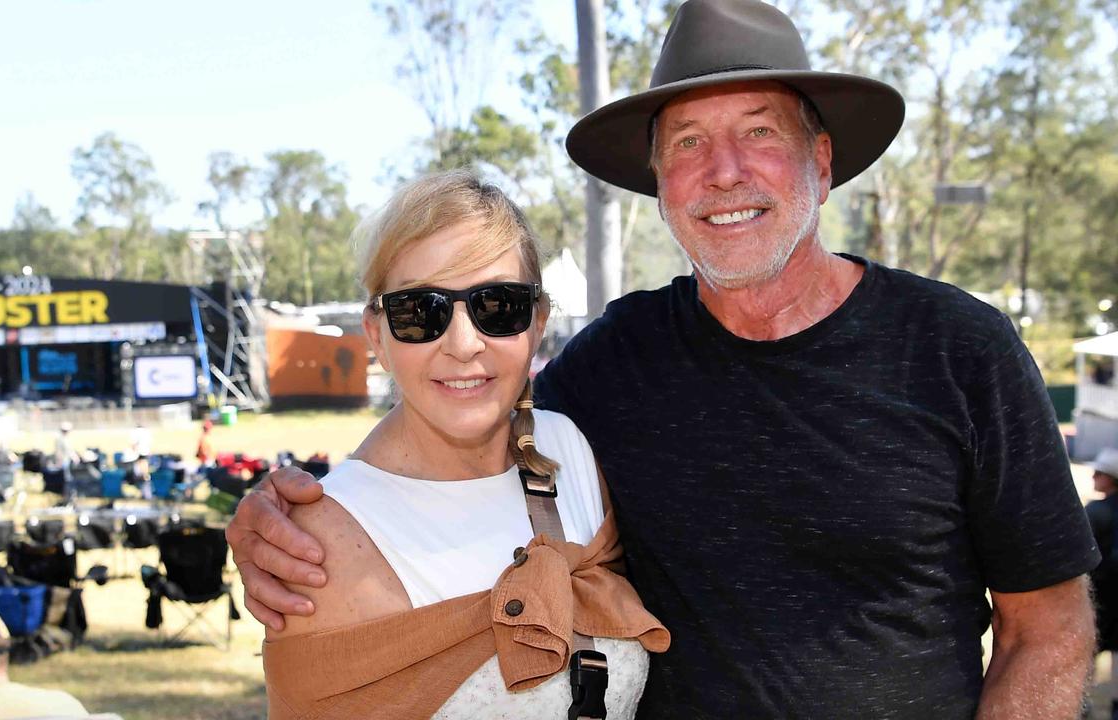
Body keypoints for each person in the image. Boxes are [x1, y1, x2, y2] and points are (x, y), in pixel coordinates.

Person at [227, 0, 1099, 717]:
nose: (722, 172)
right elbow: (459, 405)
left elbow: (1048, 629)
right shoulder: (609, 369)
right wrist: (287, 516)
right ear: (658, 181)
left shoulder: (960, 350)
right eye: (687, 142)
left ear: (821, 162)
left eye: (758, 131)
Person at [258, 170, 668, 719]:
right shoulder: (320, 542)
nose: (463, 344)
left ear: (538, 321)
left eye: (498, 306)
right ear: (376, 334)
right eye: (420, 311)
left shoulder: (569, 450)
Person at [1087, 448, 1118, 716]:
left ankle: (1081, 704)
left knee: (1088, 649)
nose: (1094, 476)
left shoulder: (1096, 512)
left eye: (1100, 473)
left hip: (1099, 596)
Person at [54, 422, 79, 502]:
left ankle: (69, 497)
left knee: (68, 480)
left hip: (68, 462)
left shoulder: (64, 439)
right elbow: (61, 452)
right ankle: (67, 498)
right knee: (67, 480)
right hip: (65, 462)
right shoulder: (61, 439)